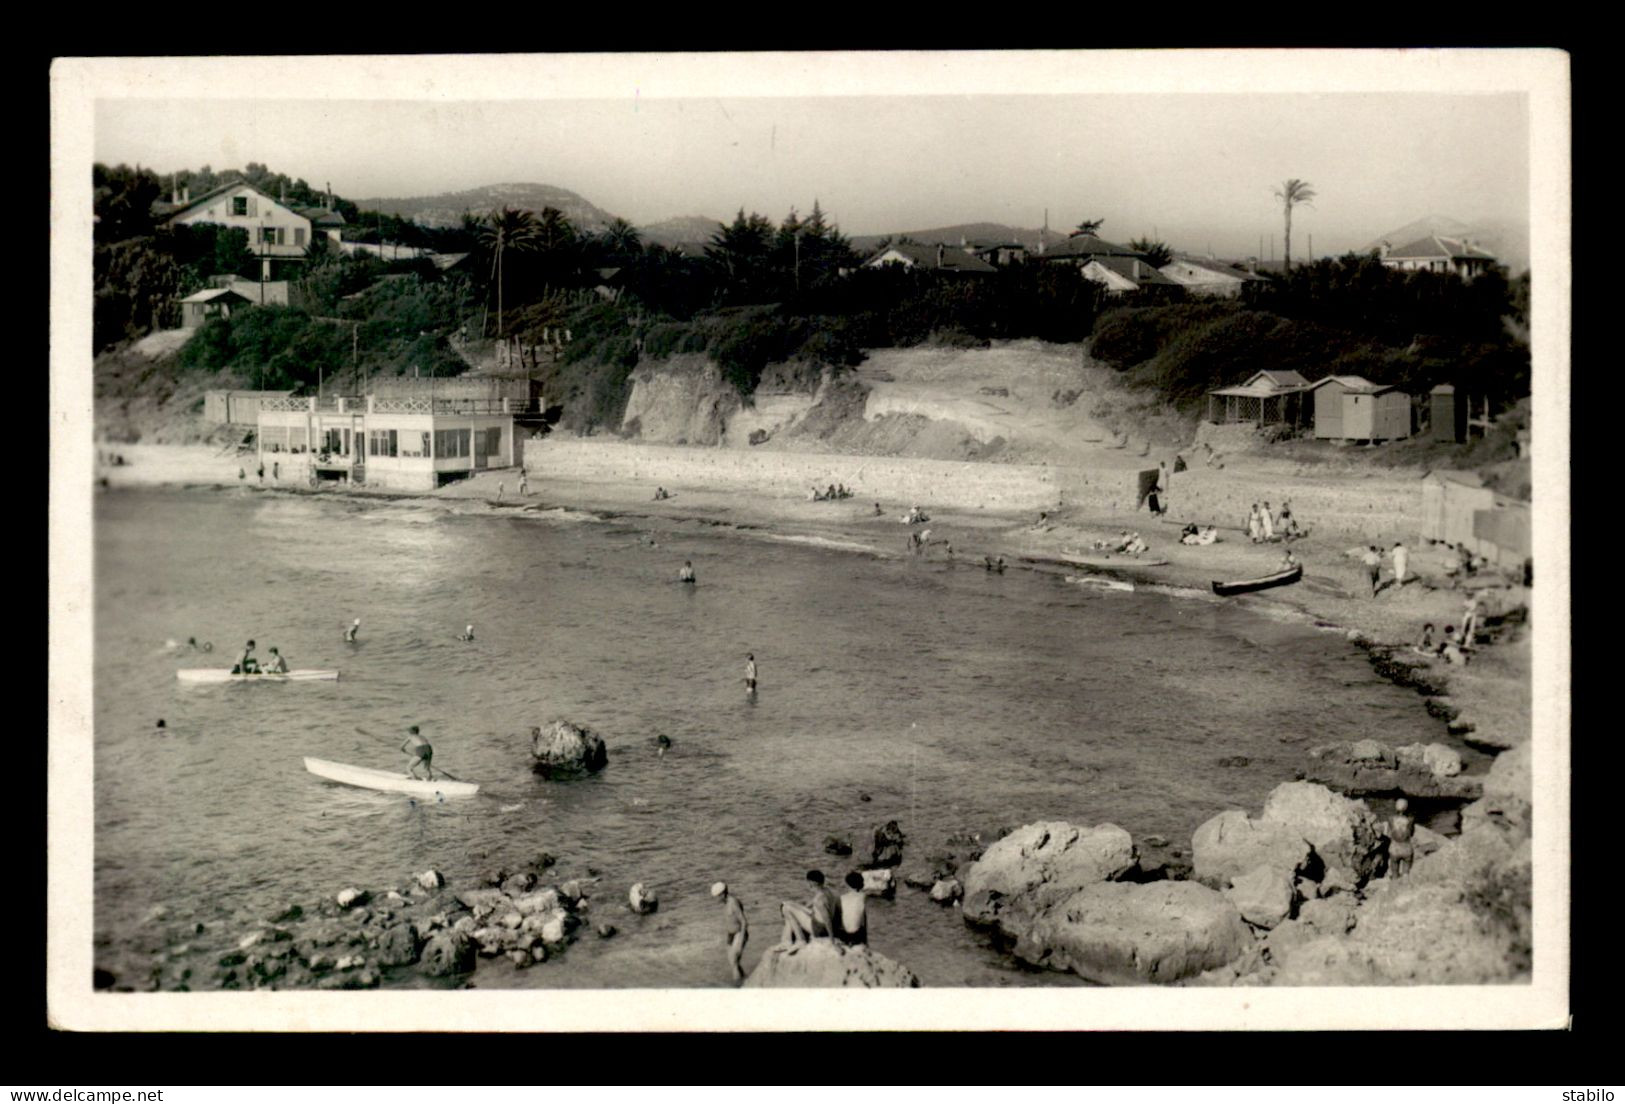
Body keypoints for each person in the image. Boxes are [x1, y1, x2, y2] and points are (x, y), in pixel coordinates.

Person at [780, 870, 841, 945]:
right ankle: (787, 940)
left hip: (818, 929)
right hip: (820, 924)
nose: (807, 884)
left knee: (786, 908)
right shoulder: (826, 890)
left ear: (813, 883)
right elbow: (813, 903)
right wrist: (801, 906)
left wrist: (832, 942)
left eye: (808, 881)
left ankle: (800, 940)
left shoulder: (819, 900)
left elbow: (827, 920)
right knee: (790, 905)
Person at [713, 882, 748, 983]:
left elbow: (744, 921)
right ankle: (744, 979)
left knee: (734, 961)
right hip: (730, 935)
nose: (716, 900)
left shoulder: (733, 903)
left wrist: (741, 938)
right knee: (733, 962)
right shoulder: (726, 902)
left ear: (722, 894)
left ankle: (737, 985)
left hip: (739, 933)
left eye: (717, 897)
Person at [836, 871, 868, 947]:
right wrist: (866, 941)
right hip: (857, 935)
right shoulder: (863, 896)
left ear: (847, 884)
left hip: (844, 935)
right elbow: (863, 920)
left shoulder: (841, 898)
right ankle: (861, 943)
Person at [1388, 798, 1415, 879]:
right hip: (1406, 848)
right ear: (1406, 808)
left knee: (1394, 870)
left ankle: (1394, 880)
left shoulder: (1390, 819)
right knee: (1406, 873)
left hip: (1394, 848)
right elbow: (1411, 833)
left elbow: (1390, 831)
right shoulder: (1411, 819)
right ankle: (1405, 882)